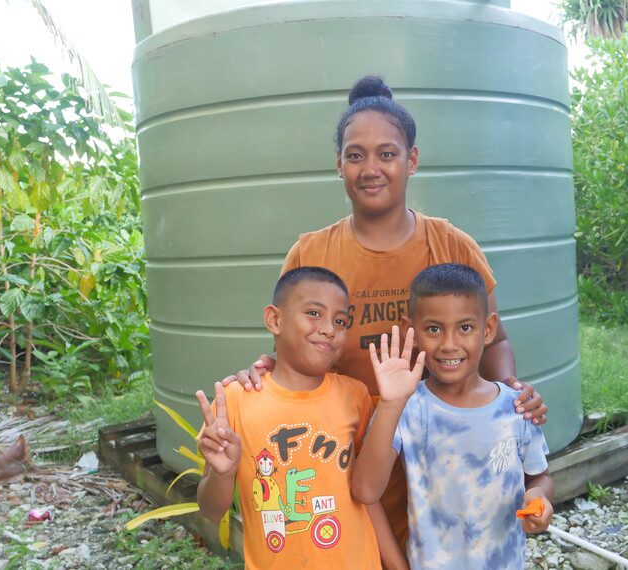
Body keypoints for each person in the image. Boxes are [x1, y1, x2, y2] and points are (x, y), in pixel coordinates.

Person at [221, 74, 549, 564]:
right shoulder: (313, 252)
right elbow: (292, 344)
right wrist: (261, 373)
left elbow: (495, 338)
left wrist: (511, 397)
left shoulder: (451, 245)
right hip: (344, 479)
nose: (370, 168)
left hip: (442, 476)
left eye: (387, 154)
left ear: (411, 160)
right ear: (339, 165)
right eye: (355, 155)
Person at [351, 264, 554, 569]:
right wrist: (391, 403)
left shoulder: (516, 407)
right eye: (433, 329)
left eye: (465, 327)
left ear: (488, 329)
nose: (449, 344)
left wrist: (539, 497)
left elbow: (540, 476)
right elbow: (365, 490)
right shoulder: (408, 409)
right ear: (412, 331)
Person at [196, 267, 382, 569]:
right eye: (313, 313)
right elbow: (211, 511)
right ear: (275, 320)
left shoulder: (355, 395)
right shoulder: (234, 399)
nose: (328, 329)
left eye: (340, 321)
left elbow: (366, 494)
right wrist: (222, 473)